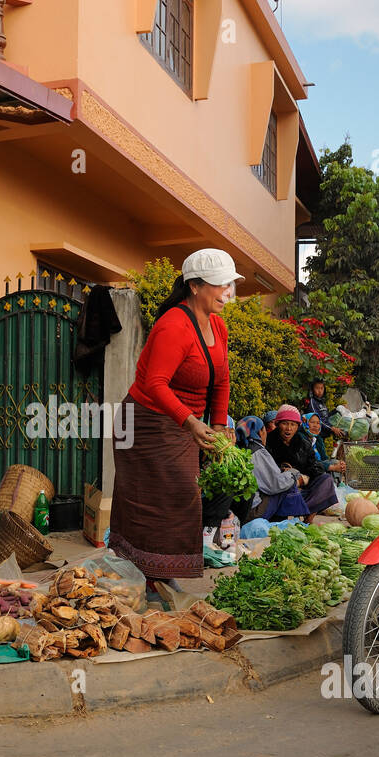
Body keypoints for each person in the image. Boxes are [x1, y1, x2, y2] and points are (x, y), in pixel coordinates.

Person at [110, 248, 237, 591]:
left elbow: (221, 378)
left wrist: (220, 425)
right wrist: (192, 422)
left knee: (181, 497)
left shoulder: (217, 326)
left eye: (229, 284)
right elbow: (155, 383)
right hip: (145, 421)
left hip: (180, 422)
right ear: (194, 286)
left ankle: (160, 573)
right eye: (220, 284)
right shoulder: (173, 325)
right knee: (160, 498)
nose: (227, 292)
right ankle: (149, 575)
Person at [266, 404, 344, 522]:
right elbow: (266, 470)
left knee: (325, 480)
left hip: (301, 485)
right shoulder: (269, 441)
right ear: (278, 424)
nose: (289, 428)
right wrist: (285, 473)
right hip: (280, 488)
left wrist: (304, 477)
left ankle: (309, 515)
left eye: (293, 424)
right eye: (285, 423)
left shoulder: (303, 443)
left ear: (298, 426)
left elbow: (313, 466)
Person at [232, 416, 310, 522]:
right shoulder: (257, 451)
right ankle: (292, 522)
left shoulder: (239, 449)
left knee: (287, 481)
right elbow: (275, 485)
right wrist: (294, 474)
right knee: (289, 484)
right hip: (253, 512)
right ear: (260, 432)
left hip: (240, 510)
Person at [307, 379, 345, 444]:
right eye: (317, 388)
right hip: (316, 435)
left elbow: (326, 417)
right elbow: (318, 420)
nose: (320, 391)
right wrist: (332, 428)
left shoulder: (321, 403)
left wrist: (337, 409)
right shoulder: (312, 402)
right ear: (312, 390)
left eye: (322, 388)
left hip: (322, 435)